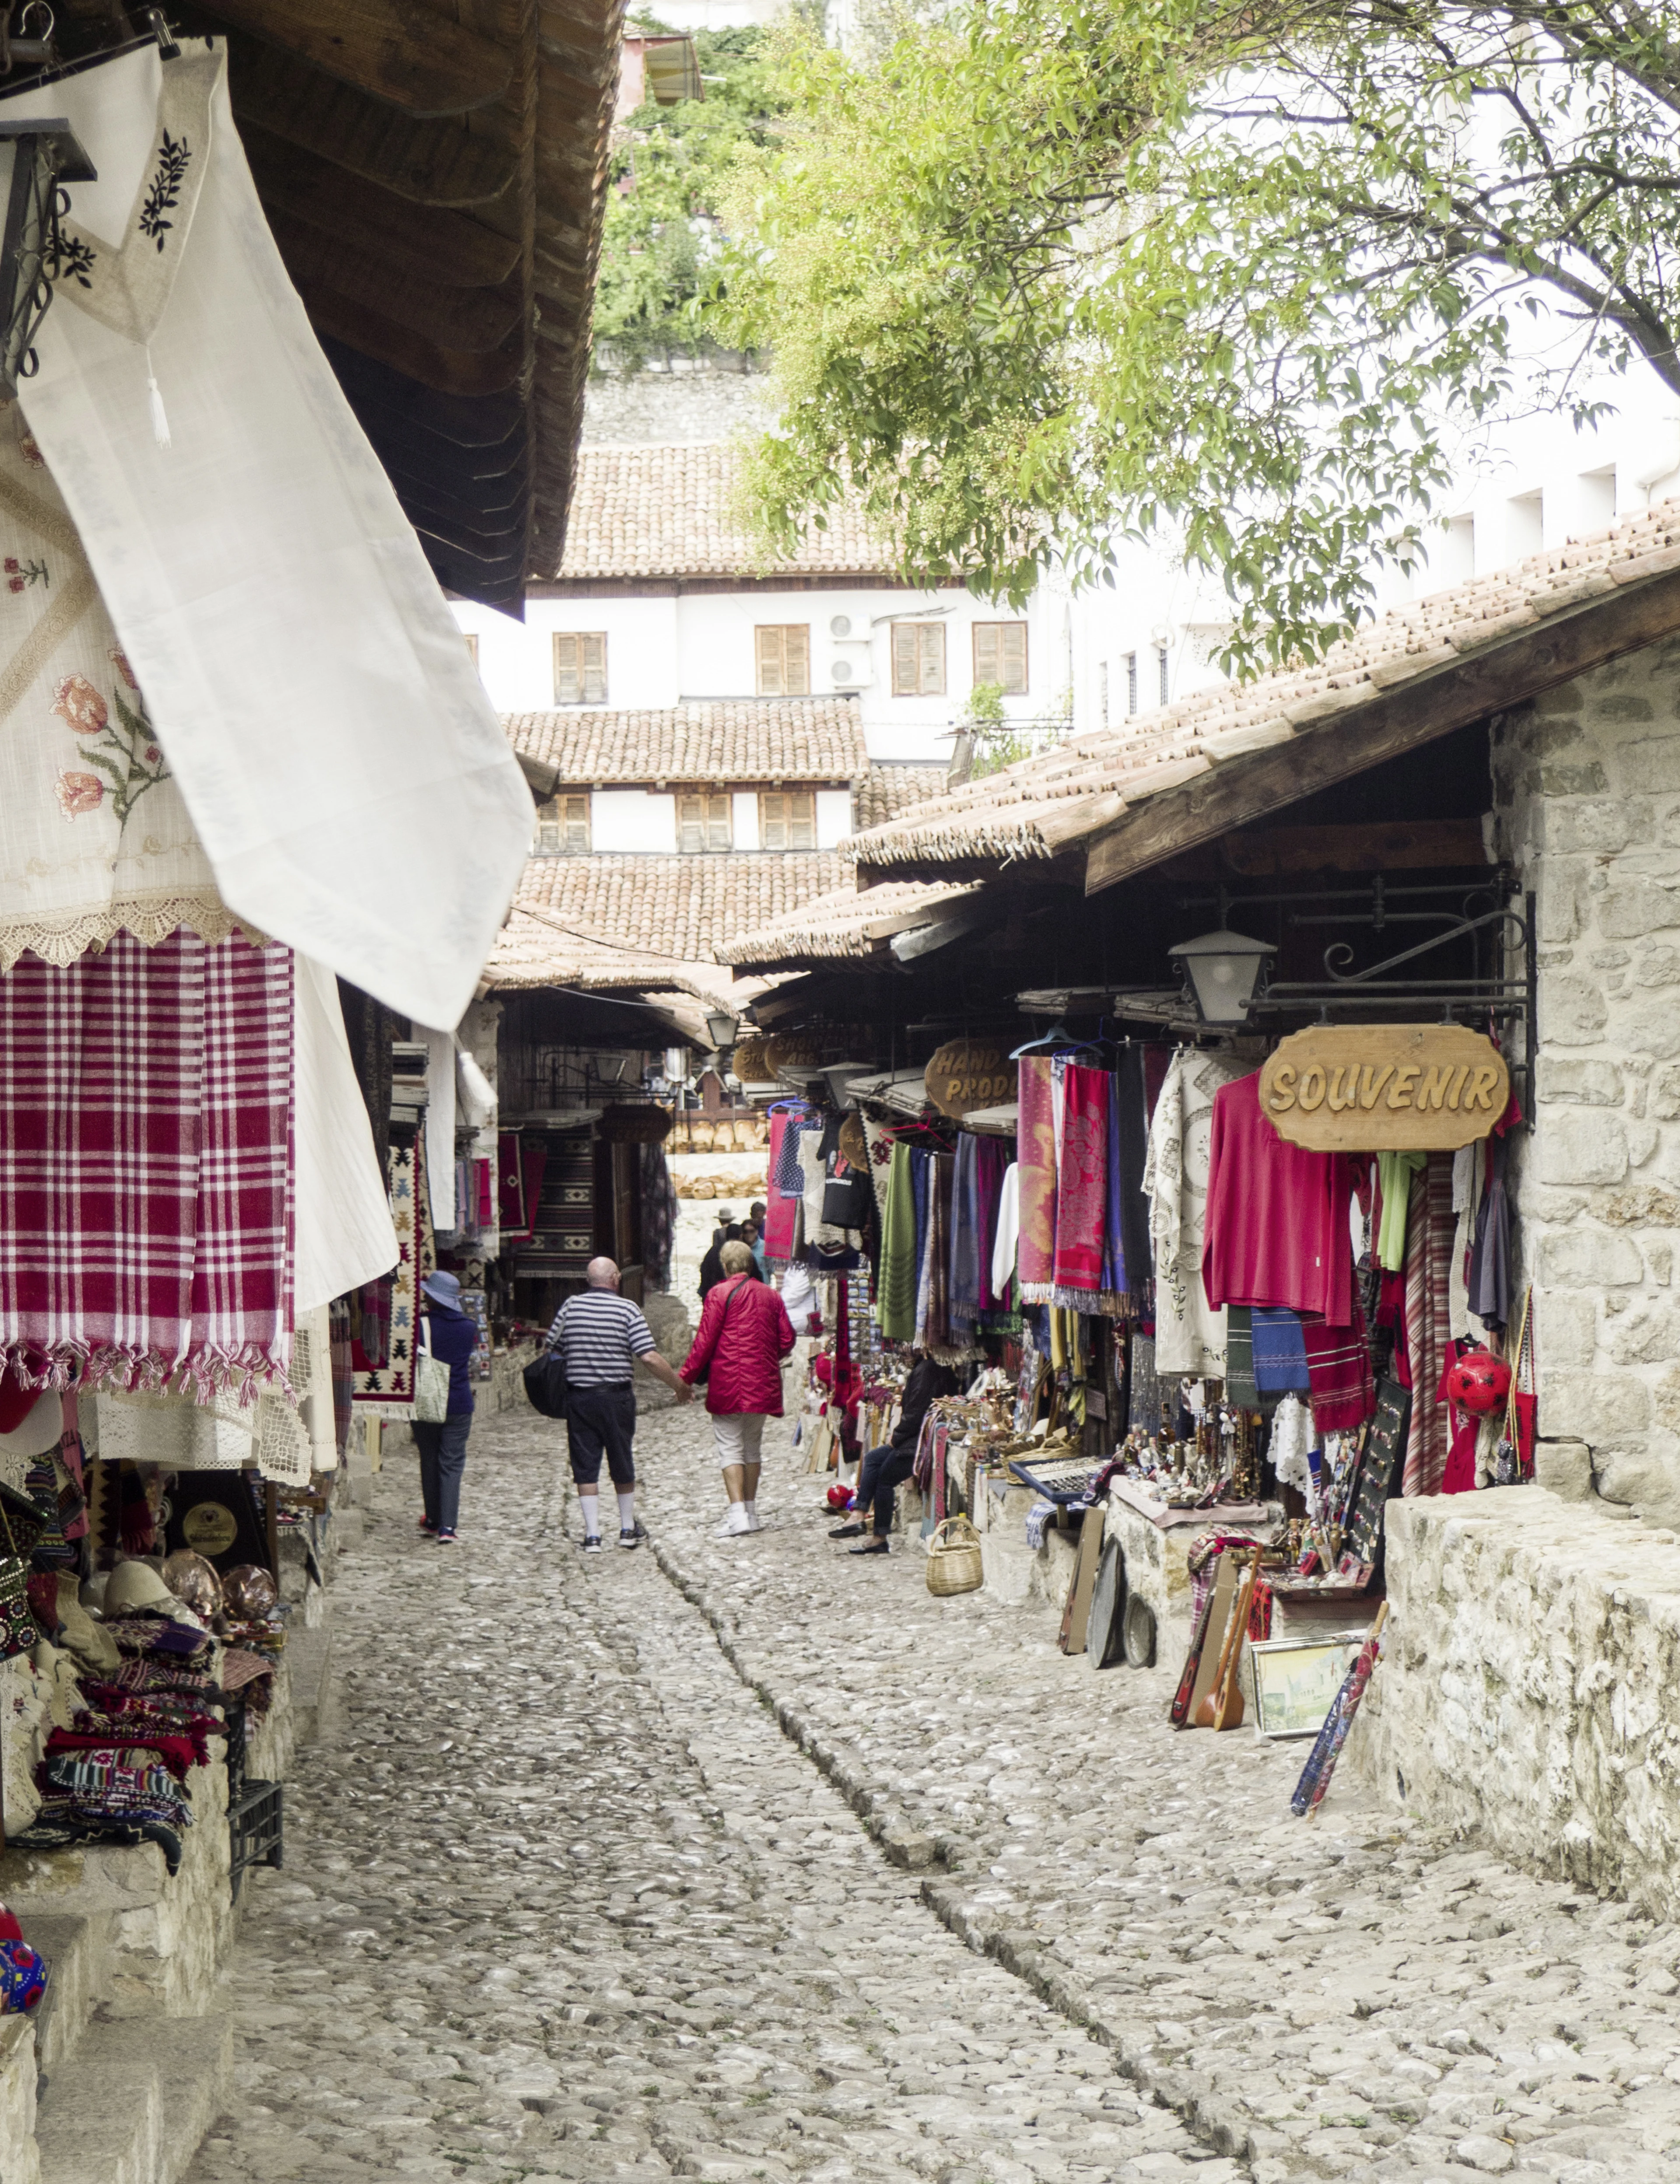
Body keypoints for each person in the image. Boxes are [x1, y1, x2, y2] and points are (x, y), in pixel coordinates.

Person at [549, 1257, 692, 1553]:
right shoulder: (627, 1309)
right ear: (615, 1278)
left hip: (579, 1397)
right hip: (616, 1397)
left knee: (585, 1464)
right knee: (621, 1457)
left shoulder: (571, 1307)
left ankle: (592, 1536)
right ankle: (627, 1529)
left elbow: (554, 1347)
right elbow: (649, 1357)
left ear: (589, 1280)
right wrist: (678, 1385)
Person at [680, 1240, 795, 1537]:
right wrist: (767, 1357)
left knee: (730, 1447)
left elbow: (704, 1342)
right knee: (752, 1447)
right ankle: (752, 1512)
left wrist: (685, 1378)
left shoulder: (718, 1294)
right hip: (763, 1382)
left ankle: (737, 1515)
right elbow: (787, 1339)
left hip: (728, 1381)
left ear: (725, 1265)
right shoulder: (770, 1295)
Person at [831, 1353, 961, 1556]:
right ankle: (859, 1513)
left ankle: (878, 1537)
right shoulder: (926, 1368)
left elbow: (916, 1414)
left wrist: (896, 1438)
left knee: (885, 1478)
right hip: (914, 1438)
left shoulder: (926, 1370)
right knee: (873, 1459)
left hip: (919, 1442)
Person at [415, 1269, 480, 1545]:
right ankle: (448, 1527)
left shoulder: (421, 1325)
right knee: (452, 1464)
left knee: (429, 1458)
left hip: (429, 1400)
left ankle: (432, 1518)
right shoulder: (469, 1327)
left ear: (431, 1299)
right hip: (459, 1403)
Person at [698, 1220, 742, 1299]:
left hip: (712, 1294)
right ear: (741, 1237)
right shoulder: (742, 1253)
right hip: (730, 1296)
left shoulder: (713, 1251)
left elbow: (704, 1270)